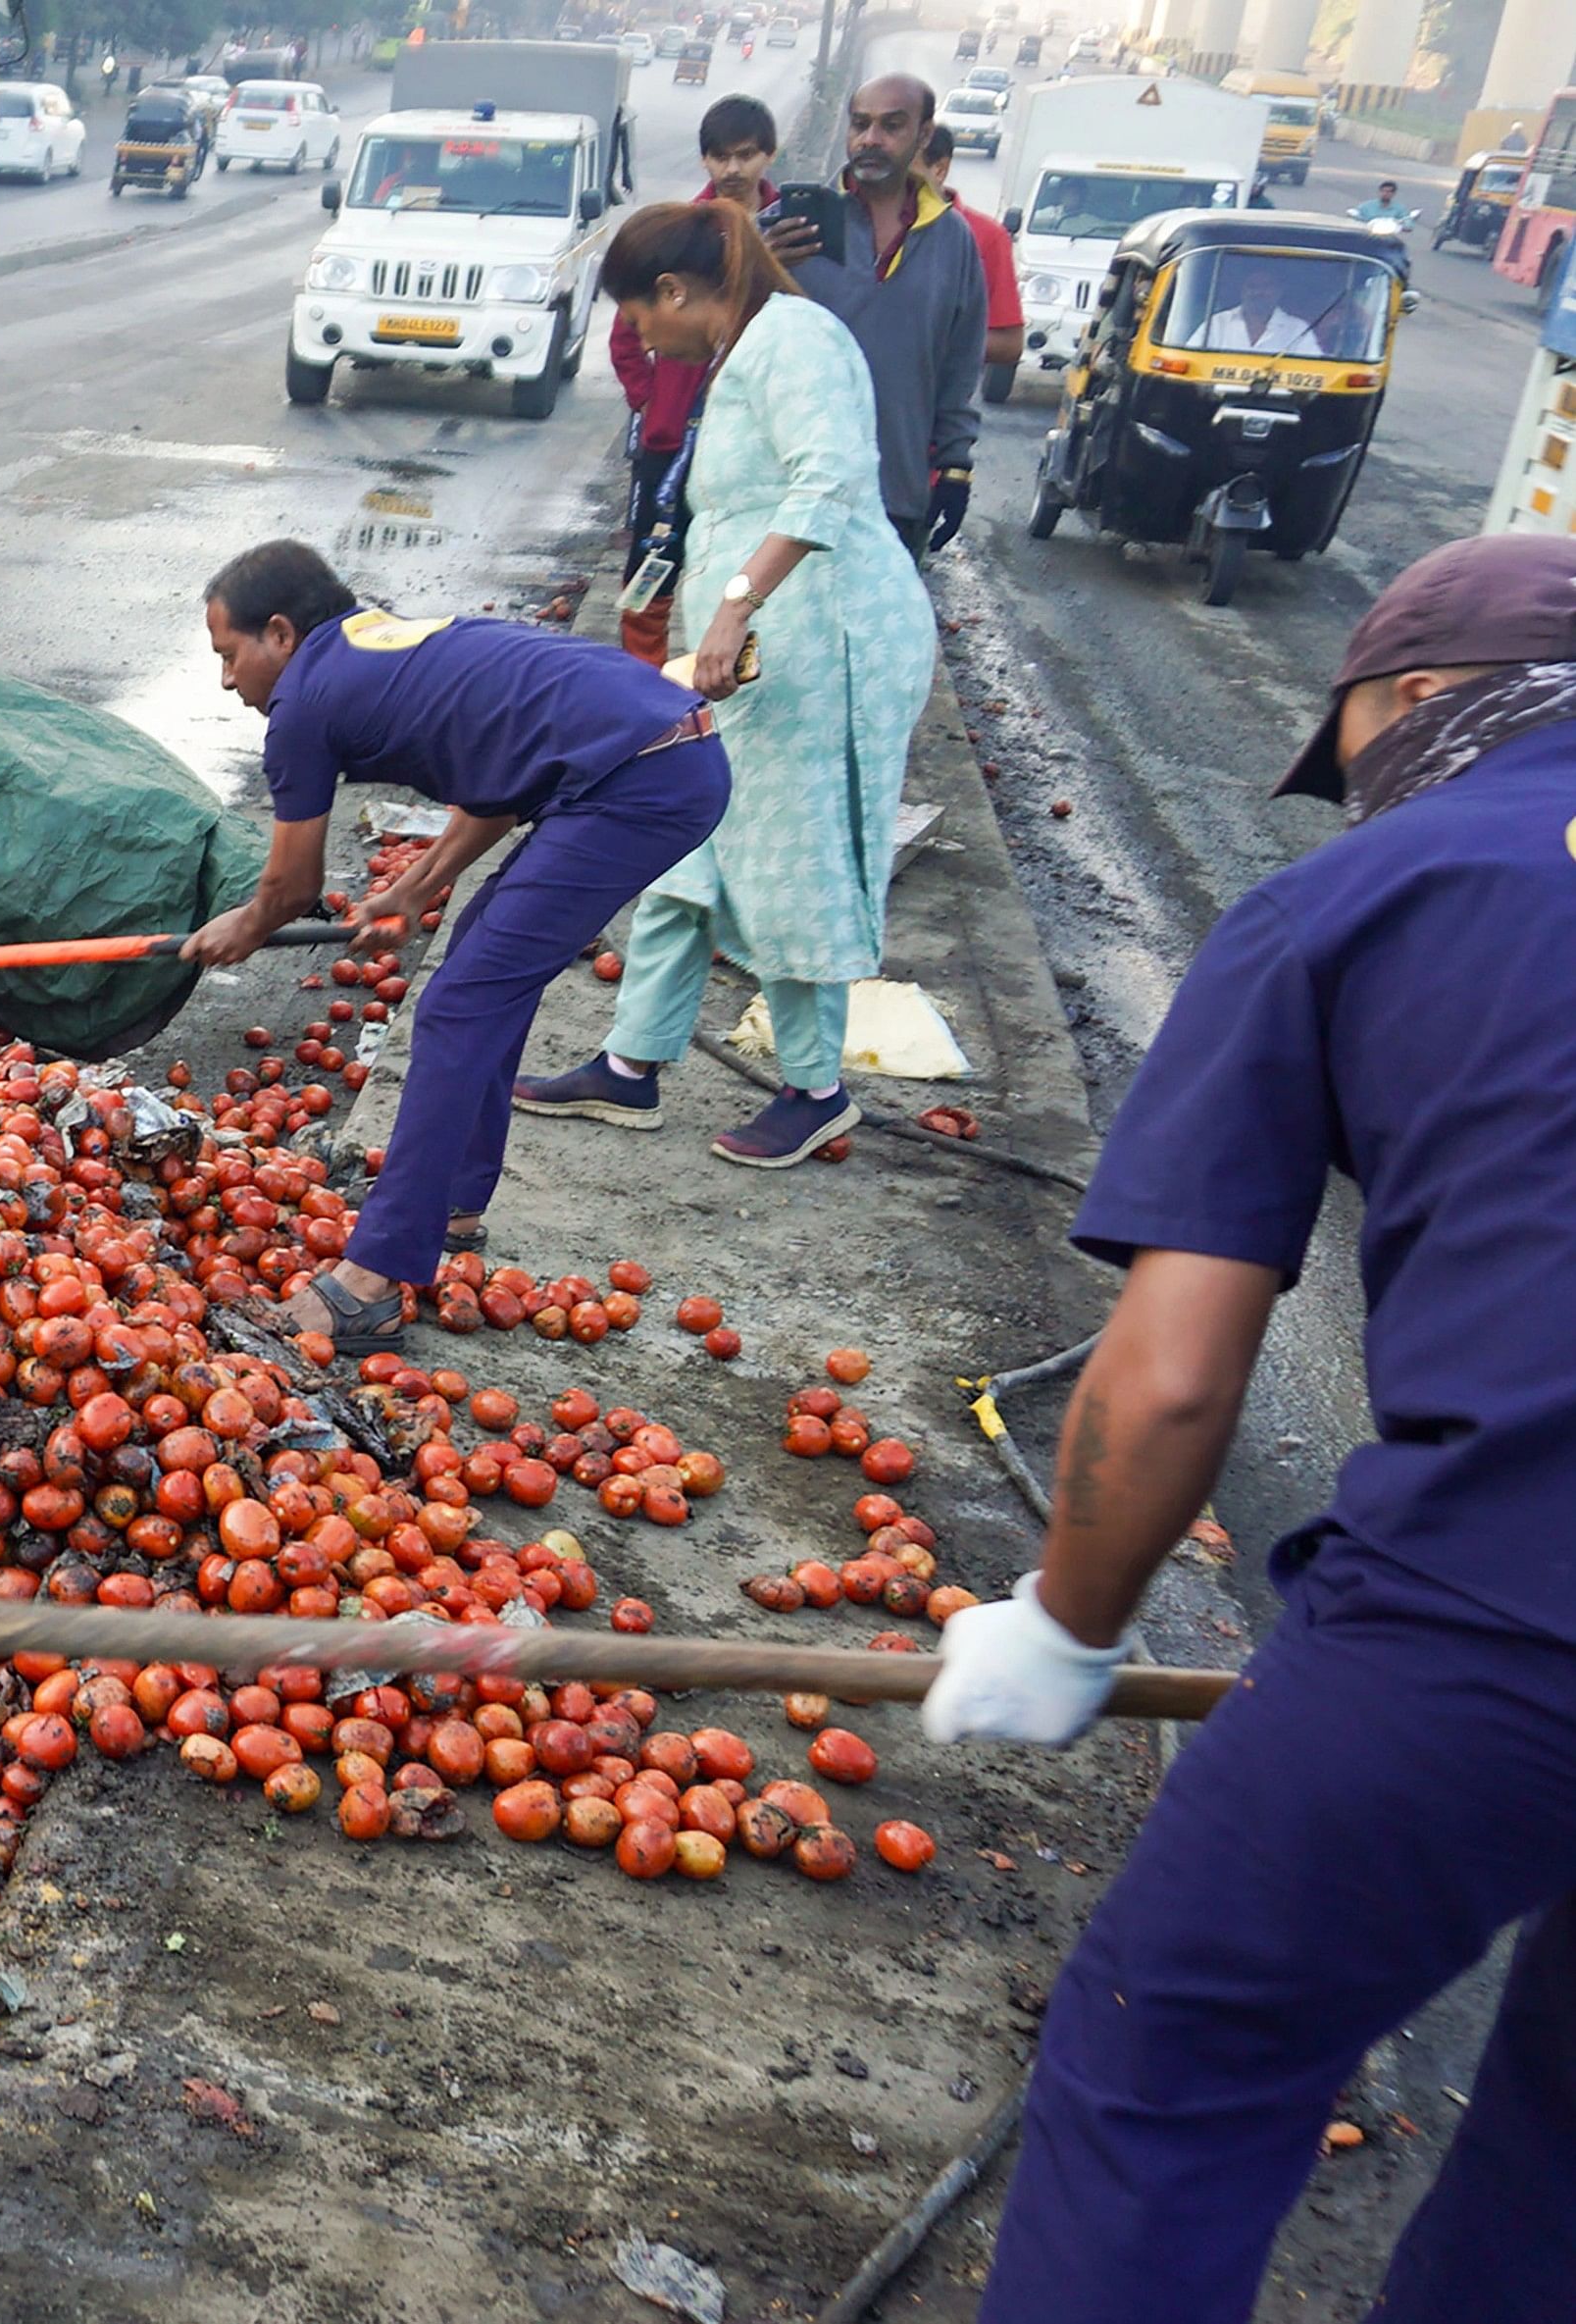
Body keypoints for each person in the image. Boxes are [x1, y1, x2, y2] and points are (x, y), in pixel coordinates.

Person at [920, 531, 1576, 2319]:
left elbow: (1175, 1366)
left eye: (1353, 744)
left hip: (1511, 1600)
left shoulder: (1364, 892)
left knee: (1175, 2064)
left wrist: (1060, 1626)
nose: (1353, 790)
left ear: (1424, 700)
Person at [180, 541, 730, 1350]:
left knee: (460, 1003)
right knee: (481, 975)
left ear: (281, 634)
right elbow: (496, 789)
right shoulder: (387, 648)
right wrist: (412, 889)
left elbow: (290, 887)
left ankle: (371, 1278)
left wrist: (245, 926)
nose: (229, 680)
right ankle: (452, 1206)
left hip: (640, 781)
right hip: (657, 755)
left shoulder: (303, 701)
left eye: (230, 655)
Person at [520, 201, 938, 1168]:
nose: (639, 338)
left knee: (796, 859)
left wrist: (735, 602)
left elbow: (827, 480)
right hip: (752, 659)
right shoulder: (743, 349)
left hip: (824, 646)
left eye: (636, 317)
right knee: (683, 841)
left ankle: (814, 1088)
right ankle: (632, 1063)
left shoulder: (797, 338)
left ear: (673, 291)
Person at [761, 77, 985, 551]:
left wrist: (955, 466)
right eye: (860, 124)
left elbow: (960, 363)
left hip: (896, 494)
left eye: (891, 126)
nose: (870, 140)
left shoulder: (952, 239)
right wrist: (757, 266)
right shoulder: (791, 225)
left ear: (924, 136)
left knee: (881, 627)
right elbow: (725, 334)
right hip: (790, 492)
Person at [609, 94, 779, 651]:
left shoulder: (791, 236)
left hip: (752, 442)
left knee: (740, 568)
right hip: (671, 438)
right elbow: (626, 333)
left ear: (768, 156)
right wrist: (650, 401)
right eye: (719, 157)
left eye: (745, 156)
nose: (733, 170)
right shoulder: (679, 234)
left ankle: (724, 687)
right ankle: (641, 689)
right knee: (650, 567)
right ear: (704, 160)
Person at [924, 126, 1025, 381]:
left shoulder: (986, 236)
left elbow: (1008, 344)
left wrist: (927, 342)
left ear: (939, 169)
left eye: (903, 170)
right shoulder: (860, 226)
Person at [1198, 257, 1333, 355]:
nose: (1258, 292)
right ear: (1242, 290)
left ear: (1279, 291)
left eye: (1266, 286)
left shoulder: (1297, 328)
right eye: (1252, 286)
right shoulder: (1217, 323)